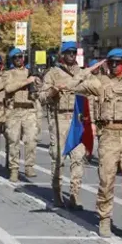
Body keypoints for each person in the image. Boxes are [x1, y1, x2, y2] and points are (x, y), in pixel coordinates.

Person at [67, 49, 122, 243]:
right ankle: (104, 219)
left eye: (118, 62)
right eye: (110, 63)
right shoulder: (99, 83)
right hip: (109, 137)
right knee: (106, 181)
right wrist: (91, 69)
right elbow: (73, 84)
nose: (114, 66)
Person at [39, 41, 87, 208]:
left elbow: (91, 97)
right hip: (59, 119)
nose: (72, 55)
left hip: (77, 120)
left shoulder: (82, 73)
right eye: (68, 53)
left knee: (78, 158)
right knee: (58, 158)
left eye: (74, 52)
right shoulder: (53, 73)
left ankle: (74, 194)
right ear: (62, 55)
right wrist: (54, 91)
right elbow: (42, 97)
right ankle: (57, 193)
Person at [4, 48, 40, 181]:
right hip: (15, 110)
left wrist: (37, 84)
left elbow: (38, 91)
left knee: (31, 139)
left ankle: (29, 166)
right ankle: (14, 169)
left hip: (29, 110)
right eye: (15, 57)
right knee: (13, 141)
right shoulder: (9, 73)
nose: (18, 59)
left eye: (20, 56)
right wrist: (27, 81)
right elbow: (8, 88)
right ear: (12, 60)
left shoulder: (30, 73)